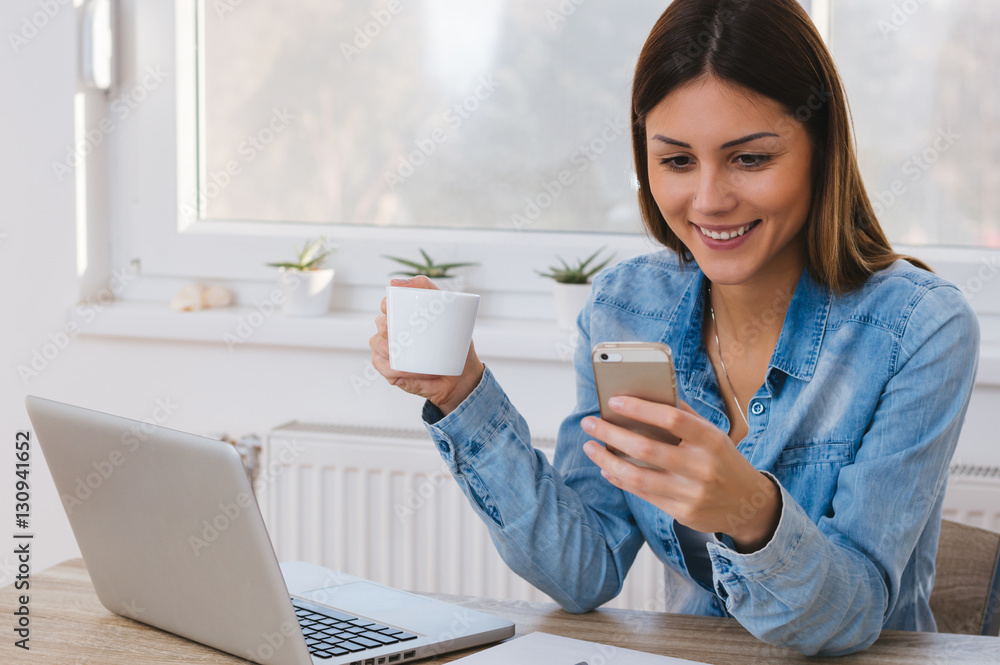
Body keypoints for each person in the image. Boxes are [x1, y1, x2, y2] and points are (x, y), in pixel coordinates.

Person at [368, 0, 979, 656]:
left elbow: (849, 618)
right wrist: (461, 395)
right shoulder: (624, 306)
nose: (709, 199)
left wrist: (751, 514)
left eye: (749, 159)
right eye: (678, 161)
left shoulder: (920, 329)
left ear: (819, 149)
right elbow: (584, 567)